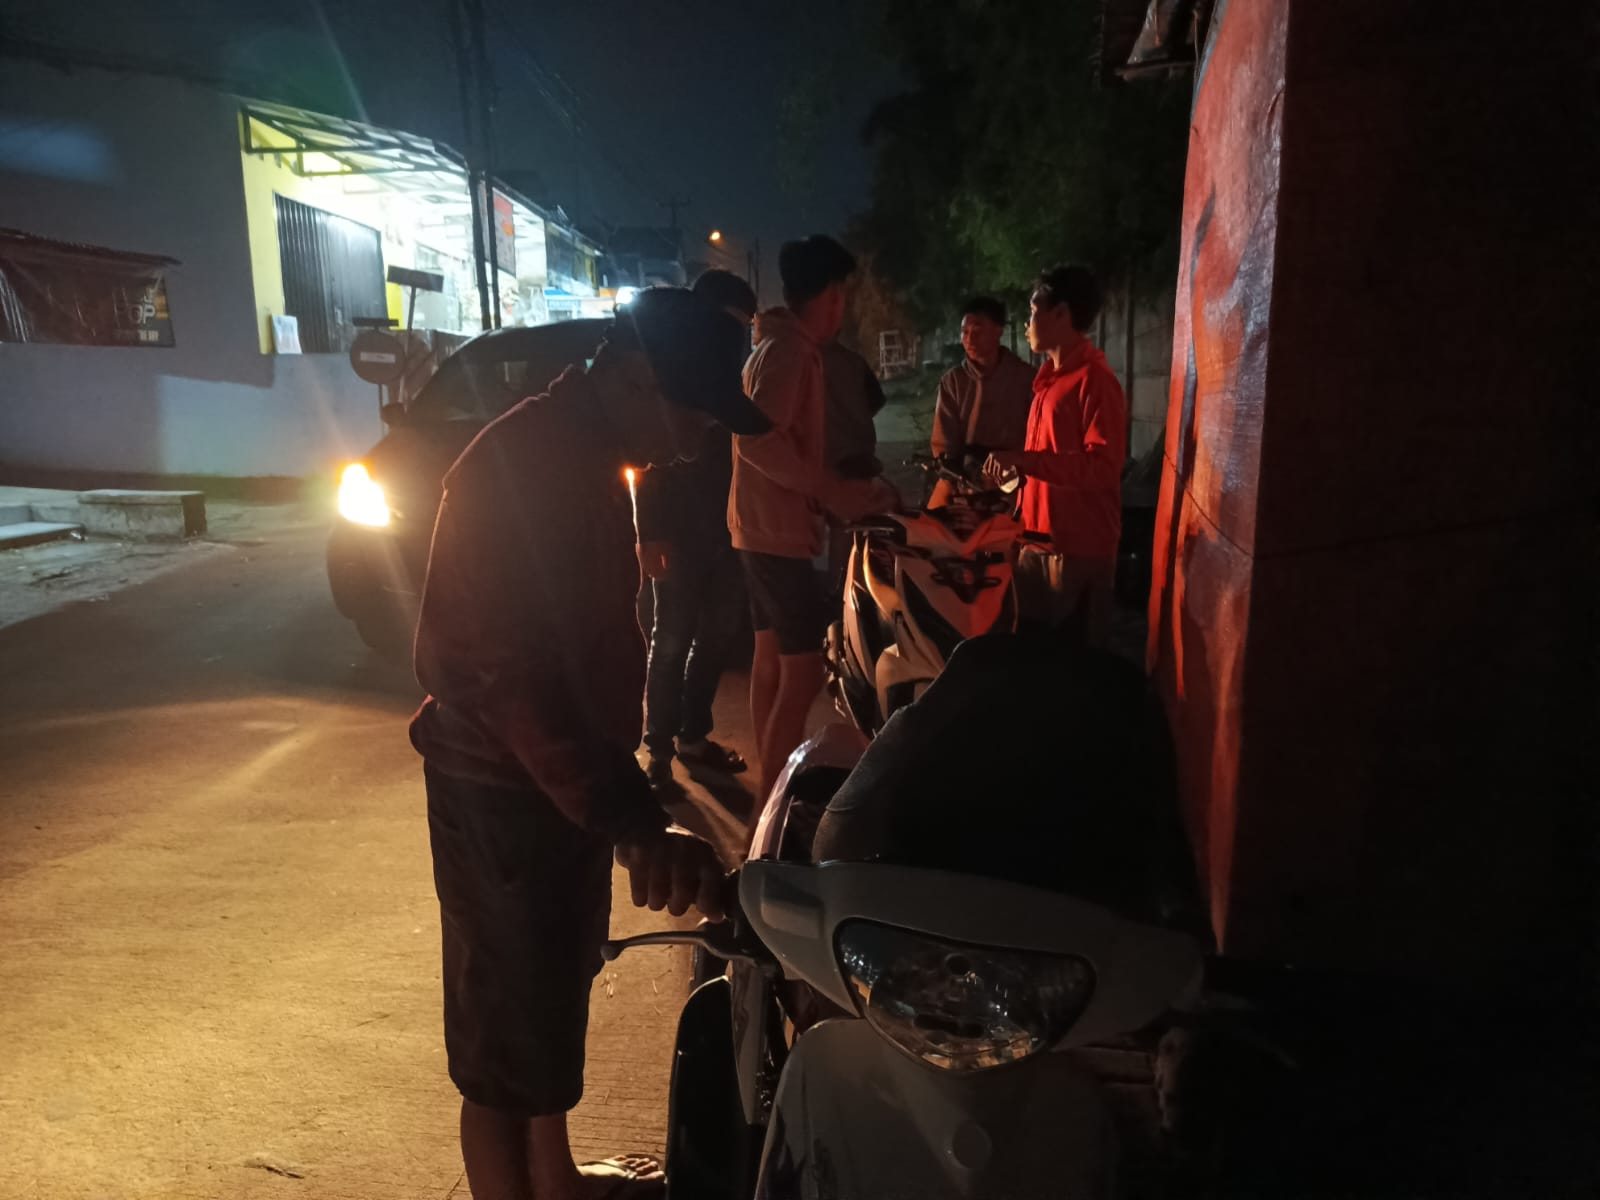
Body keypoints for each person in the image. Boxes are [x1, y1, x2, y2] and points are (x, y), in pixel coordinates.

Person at [410, 286, 768, 1200]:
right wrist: (631, 820)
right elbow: (516, 680)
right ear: (639, 378)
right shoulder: (528, 464)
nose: (696, 443)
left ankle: (555, 1178)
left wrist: (619, 806)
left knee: (550, 988)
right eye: (692, 416)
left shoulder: (591, 455)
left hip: (557, 782)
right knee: (502, 1040)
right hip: (499, 791)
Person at [730, 235, 899, 805]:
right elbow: (756, 440)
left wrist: (840, 491)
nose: (842, 307)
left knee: (772, 662)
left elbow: (773, 440)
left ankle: (767, 792)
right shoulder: (792, 352)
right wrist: (829, 489)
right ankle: (771, 806)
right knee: (802, 673)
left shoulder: (773, 345)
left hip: (758, 528)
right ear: (829, 295)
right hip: (776, 534)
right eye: (842, 295)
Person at [634, 270, 758, 787]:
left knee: (716, 637)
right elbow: (646, 464)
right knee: (670, 641)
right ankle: (658, 752)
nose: (733, 338)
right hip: (679, 535)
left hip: (728, 530)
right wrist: (648, 533)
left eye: (743, 329)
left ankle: (692, 737)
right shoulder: (671, 376)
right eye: (730, 324)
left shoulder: (734, 377)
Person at [984, 266, 1126, 647]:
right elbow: (1044, 465)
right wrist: (1013, 476)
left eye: (1033, 312)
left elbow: (1103, 469)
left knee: (1073, 664)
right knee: (1034, 658)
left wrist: (1026, 461)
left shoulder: (1095, 382)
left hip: (1077, 554)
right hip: (1035, 545)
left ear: (1062, 314)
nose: (1027, 324)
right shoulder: (1049, 383)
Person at [929, 295, 1036, 506]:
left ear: (998, 331)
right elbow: (944, 443)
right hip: (963, 482)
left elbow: (1035, 440)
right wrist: (955, 476)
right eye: (964, 332)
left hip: (1014, 484)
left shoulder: (1025, 379)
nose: (969, 339)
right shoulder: (953, 381)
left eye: (977, 331)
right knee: (930, 521)